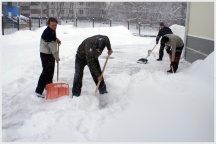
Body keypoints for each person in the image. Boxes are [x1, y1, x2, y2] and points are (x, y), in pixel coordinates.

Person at [35, 17, 61, 98]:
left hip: (48, 53)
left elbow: (52, 40)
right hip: (45, 54)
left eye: (55, 25)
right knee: (46, 72)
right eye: (53, 25)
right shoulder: (48, 33)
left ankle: (48, 86)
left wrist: (56, 39)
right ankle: (38, 91)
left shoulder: (51, 30)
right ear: (48, 24)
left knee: (50, 71)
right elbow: (53, 48)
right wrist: (56, 57)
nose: (54, 27)